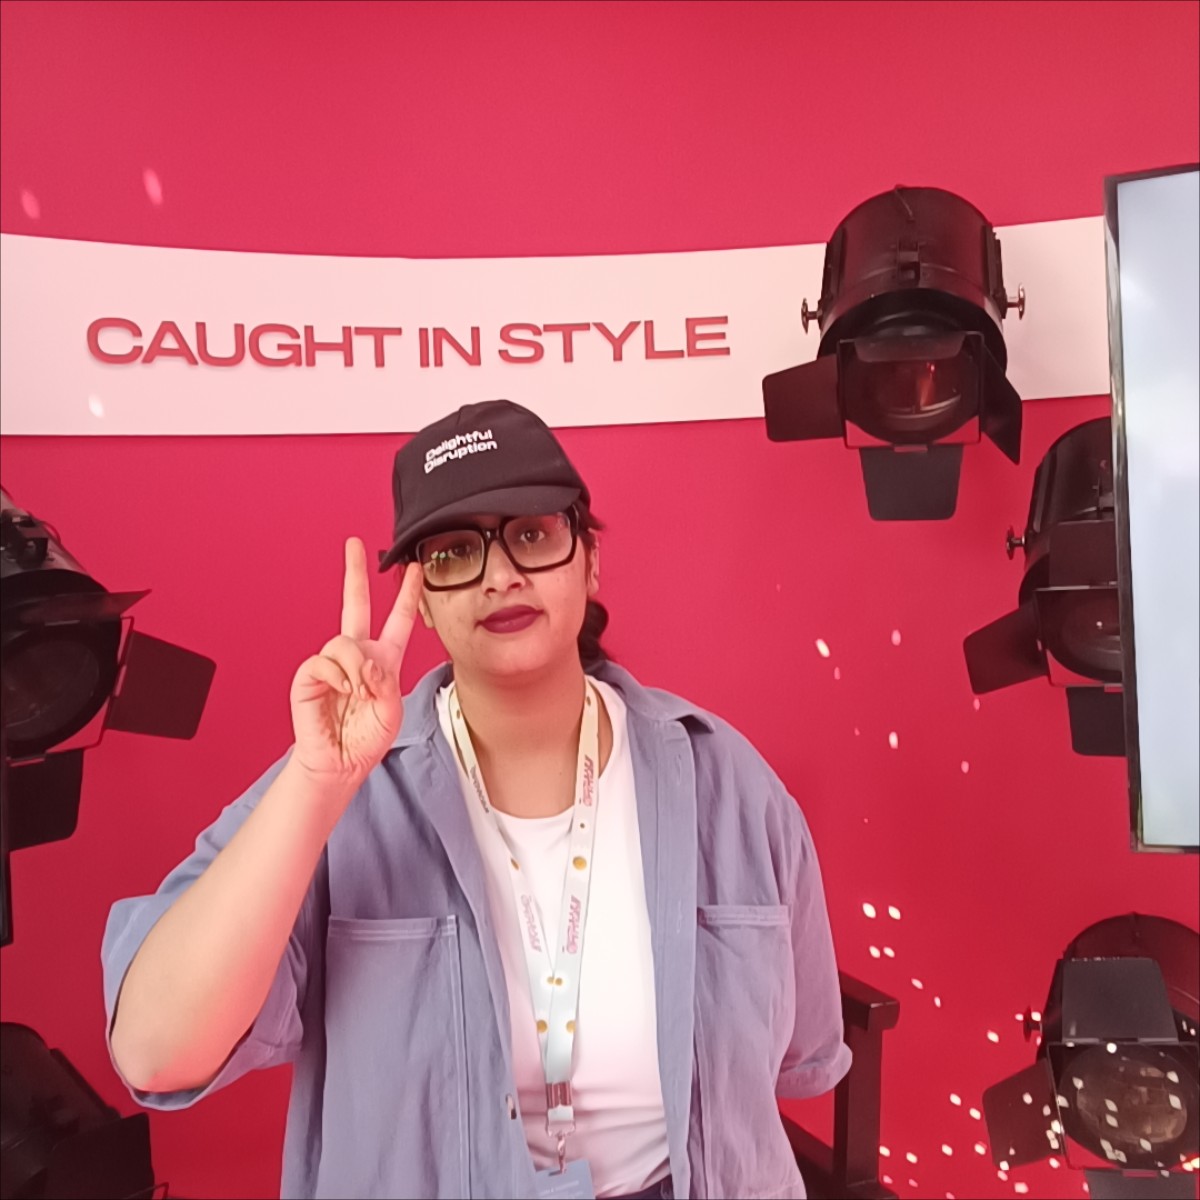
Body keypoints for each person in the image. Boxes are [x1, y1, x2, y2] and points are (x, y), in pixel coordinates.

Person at [103, 399, 851, 1200]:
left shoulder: (726, 782)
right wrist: (319, 784)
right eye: (457, 551)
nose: (500, 575)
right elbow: (157, 1051)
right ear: (421, 598)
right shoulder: (341, 789)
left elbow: (800, 1053)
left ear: (589, 559)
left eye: (532, 533)